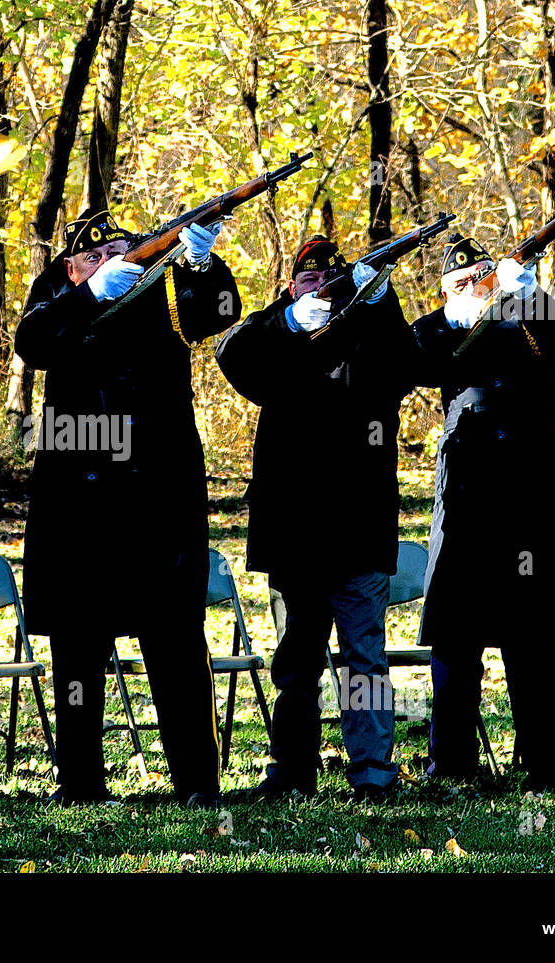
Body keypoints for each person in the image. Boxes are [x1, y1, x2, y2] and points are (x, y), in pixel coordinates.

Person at [14, 209, 238, 807]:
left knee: (176, 642)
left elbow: (215, 315)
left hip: (158, 497)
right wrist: (87, 294)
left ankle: (196, 781)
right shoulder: (58, 295)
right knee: (78, 644)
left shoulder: (159, 283)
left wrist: (198, 261)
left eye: (121, 250)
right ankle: (81, 782)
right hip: (79, 504)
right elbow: (32, 341)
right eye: (96, 255)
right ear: (72, 266)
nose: (113, 261)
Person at [214, 235, 417, 801]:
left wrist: (379, 298)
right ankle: (290, 772)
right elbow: (233, 355)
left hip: (359, 526)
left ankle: (374, 774)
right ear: (290, 287)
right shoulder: (277, 335)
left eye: (331, 280)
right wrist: (289, 323)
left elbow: (408, 366)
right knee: (296, 663)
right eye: (308, 280)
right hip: (296, 532)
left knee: (365, 662)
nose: (321, 288)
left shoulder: (371, 330)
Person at [411, 233, 555, 793]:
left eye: (477, 279)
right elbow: (411, 358)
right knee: (456, 643)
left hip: (527, 504)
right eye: (455, 283)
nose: (469, 289)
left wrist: (528, 293)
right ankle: (452, 765)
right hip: (464, 503)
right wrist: (449, 314)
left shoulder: (527, 318)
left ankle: (549, 768)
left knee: (532, 640)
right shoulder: (443, 332)